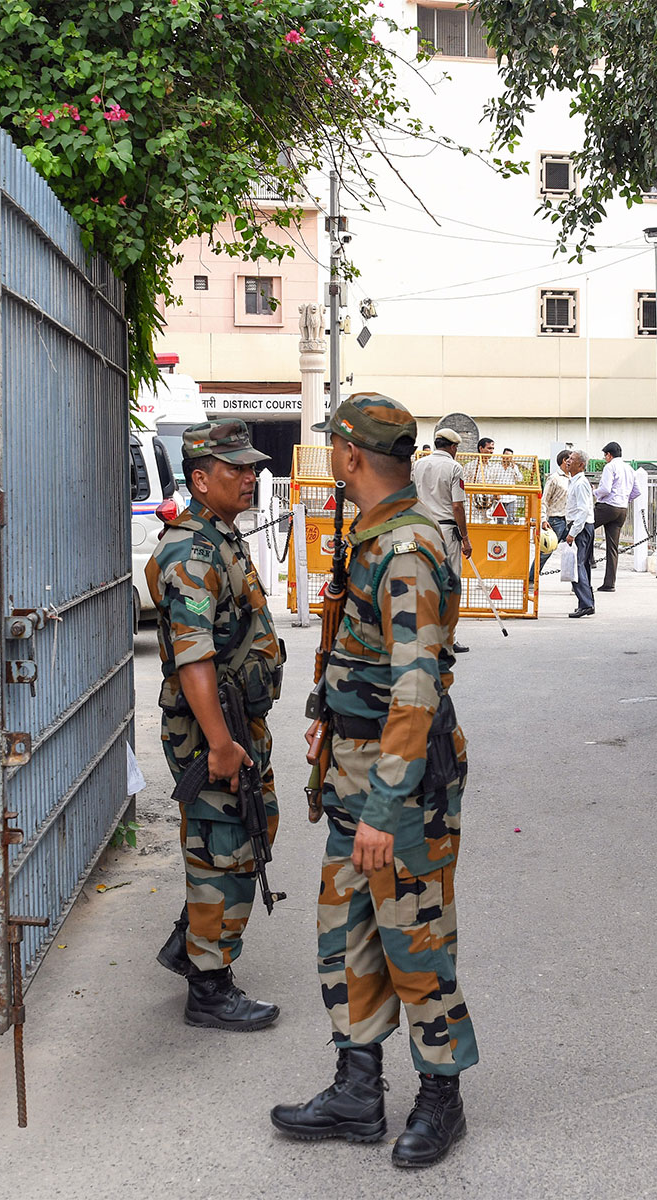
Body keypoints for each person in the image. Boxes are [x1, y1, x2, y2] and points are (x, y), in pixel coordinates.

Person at [270, 393, 476, 1169]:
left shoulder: (408, 548)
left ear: (350, 455)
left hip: (400, 781)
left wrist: (387, 806)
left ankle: (440, 1098)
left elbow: (417, 684)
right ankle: (358, 1091)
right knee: (346, 930)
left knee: (413, 937)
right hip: (357, 767)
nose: (330, 456)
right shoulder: (370, 533)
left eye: (333, 446)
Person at [147, 420, 284, 1031]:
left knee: (253, 830)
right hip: (212, 731)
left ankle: (190, 940)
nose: (251, 477)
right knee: (222, 850)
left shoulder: (219, 536)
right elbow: (193, 657)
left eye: (252, 467)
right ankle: (209, 987)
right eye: (237, 469)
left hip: (235, 723)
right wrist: (223, 745)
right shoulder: (192, 551)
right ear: (201, 479)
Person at [412, 426, 473, 654]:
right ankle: (447, 639)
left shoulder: (417, 464)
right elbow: (457, 505)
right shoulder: (454, 467)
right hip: (446, 531)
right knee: (449, 584)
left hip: (420, 528)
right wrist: (465, 538)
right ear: (453, 447)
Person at [592, 441, 637, 592]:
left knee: (585, 526)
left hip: (607, 506)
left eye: (605, 456)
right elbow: (636, 491)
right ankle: (609, 582)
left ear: (609, 455)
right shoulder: (629, 468)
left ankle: (590, 560)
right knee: (613, 547)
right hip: (622, 509)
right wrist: (624, 499)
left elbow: (605, 488)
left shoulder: (610, 467)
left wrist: (594, 493)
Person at [563, 450, 596, 617]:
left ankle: (587, 603)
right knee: (583, 566)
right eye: (568, 458)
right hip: (582, 526)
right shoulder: (574, 481)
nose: (568, 461)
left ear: (581, 465)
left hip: (580, 528)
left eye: (572, 459)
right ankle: (585, 602)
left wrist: (573, 533)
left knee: (577, 566)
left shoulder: (580, 483)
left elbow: (583, 511)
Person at [542, 449, 571, 543]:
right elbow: (544, 500)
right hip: (555, 520)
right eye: (571, 459)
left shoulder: (573, 478)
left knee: (570, 550)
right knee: (547, 550)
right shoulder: (554, 478)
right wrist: (543, 520)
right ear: (564, 460)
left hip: (569, 520)